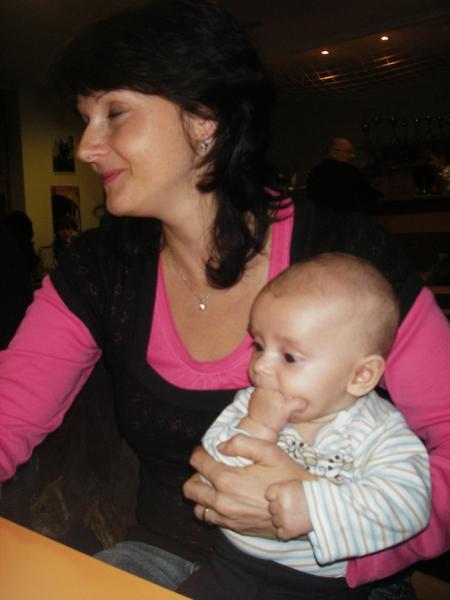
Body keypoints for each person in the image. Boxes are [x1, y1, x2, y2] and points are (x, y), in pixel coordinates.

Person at [0, 2, 449, 599]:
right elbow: (9, 414)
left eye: (115, 113)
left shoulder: (347, 258)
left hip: (335, 576)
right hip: (163, 557)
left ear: (204, 118)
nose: (86, 147)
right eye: (85, 119)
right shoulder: (99, 269)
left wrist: (325, 526)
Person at [179, 253, 430, 599]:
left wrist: (313, 509)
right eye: (259, 346)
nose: (260, 367)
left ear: (361, 375)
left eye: (289, 357)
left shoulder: (381, 432)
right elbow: (211, 472)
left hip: (321, 587)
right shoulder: (250, 405)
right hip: (230, 566)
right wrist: (257, 427)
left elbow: (408, 506)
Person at [306, 137, 382, 212]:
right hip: (351, 216)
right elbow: (366, 196)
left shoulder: (315, 172)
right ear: (334, 153)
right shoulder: (350, 171)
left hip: (323, 218)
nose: (353, 156)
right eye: (348, 152)